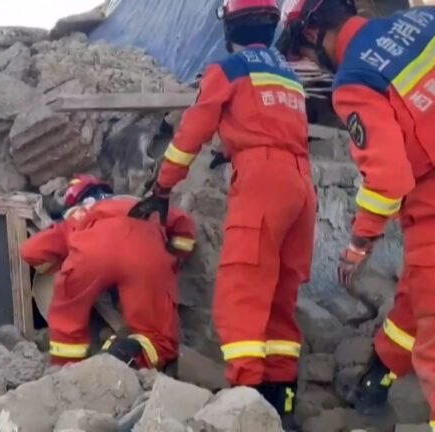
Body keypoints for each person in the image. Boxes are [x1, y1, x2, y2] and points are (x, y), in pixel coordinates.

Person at [277, 2, 435, 431]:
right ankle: (382, 371)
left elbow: (388, 180)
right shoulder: (431, 20)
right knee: (421, 290)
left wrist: (359, 243)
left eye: (302, 50)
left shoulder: (355, 79)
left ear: (315, 34)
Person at [129, 0, 315, 427]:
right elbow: (270, 125)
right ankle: (281, 402)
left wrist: (163, 186)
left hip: (263, 180)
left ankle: (245, 404)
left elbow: (191, 133)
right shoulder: (289, 76)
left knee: (243, 291)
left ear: (230, 28)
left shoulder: (227, 70)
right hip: (303, 183)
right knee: (281, 296)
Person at [20, 174, 196, 370]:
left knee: (67, 315)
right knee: (158, 337)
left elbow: (30, 251)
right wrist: (175, 258)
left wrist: (63, 263)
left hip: (90, 255)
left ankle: (67, 371)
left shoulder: (75, 216)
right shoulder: (136, 202)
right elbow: (183, 222)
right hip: (144, 251)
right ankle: (126, 354)